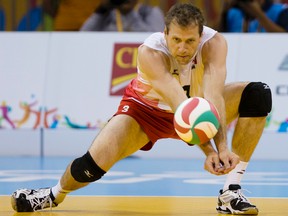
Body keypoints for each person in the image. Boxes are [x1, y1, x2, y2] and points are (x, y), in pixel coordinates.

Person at [11, 3, 272, 215]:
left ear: (201, 35)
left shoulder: (214, 44)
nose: (182, 48)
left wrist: (223, 149)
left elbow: (212, 96)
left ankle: (231, 191)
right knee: (88, 168)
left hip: (197, 104)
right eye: (177, 40)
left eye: (190, 41)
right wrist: (208, 150)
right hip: (145, 112)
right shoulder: (151, 52)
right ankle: (53, 194)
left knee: (257, 95)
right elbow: (181, 105)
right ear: (165, 34)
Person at [80, 0, 165, 32]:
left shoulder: (150, 12)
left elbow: (157, 39)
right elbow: (84, 34)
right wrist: (101, 10)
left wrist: (129, 13)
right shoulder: (108, 13)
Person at [218, 0, 288, 32]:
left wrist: (258, 14)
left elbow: (283, 37)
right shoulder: (233, 13)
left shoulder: (281, 10)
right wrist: (223, 12)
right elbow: (218, 36)